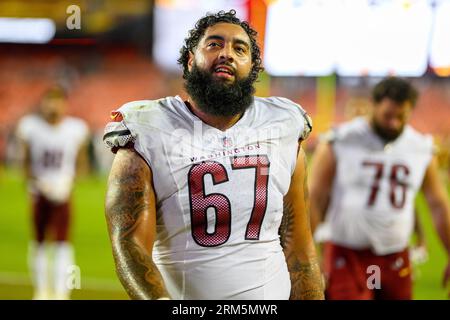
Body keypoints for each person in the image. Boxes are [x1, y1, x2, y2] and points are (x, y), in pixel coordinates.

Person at [103, 10, 324, 300]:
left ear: (253, 68)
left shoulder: (282, 126)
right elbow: (130, 243)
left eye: (239, 48)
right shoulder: (149, 127)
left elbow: (299, 249)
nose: (227, 54)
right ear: (190, 61)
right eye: (214, 44)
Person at [309, 77, 450, 300]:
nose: (394, 123)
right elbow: (314, 199)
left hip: (395, 255)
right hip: (347, 255)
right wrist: (306, 256)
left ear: (410, 111)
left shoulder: (420, 147)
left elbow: (438, 204)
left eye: (400, 117)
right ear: (373, 106)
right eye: (387, 116)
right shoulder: (341, 140)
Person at [16, 85, 89, 300]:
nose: (53, 105)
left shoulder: (75, 129)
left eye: (57, 100)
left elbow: (82, 166)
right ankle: (40, 290)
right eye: (49, 100)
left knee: (62, 243)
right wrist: (36, 184)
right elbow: (26, 164)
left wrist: (68, 183)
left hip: (63, 192)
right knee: (38, 241)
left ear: (65, 104)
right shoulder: (31, 127)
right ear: (42, 103)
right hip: (39, 192)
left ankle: (61, 292)